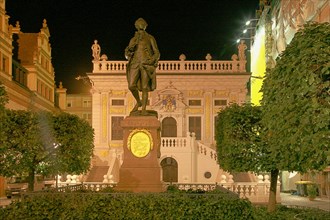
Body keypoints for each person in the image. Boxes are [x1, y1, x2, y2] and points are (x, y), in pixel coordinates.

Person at [125, 18, 160, 115]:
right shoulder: (133, 39)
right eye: (139, 24)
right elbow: (127, 55)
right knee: (131, 85)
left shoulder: (150, 38)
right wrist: (129, 49)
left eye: (142, 24)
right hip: (135, 64)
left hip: (145, 64)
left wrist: (152, 60)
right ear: (136, 26)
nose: (141, 25)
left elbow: (156, 52)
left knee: (145, 88)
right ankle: (139, 101)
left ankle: (144, 109)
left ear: (145, 26)